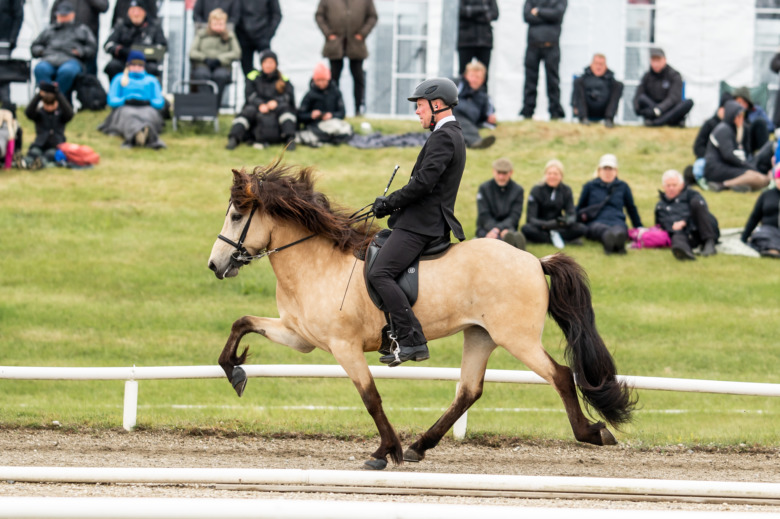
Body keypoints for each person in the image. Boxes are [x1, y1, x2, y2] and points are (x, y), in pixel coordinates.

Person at [368, 78, 466, 367]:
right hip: (421, 221)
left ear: (437, 105)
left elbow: (423, 184)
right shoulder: (449, 134)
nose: (417, 112)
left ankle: (411, 340)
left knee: (380, 273)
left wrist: (390, 202)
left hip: (421, 225)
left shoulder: (444, 136)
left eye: (420, 106)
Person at [315, 0, 377, 115]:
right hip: (335, 44)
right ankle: (333, 109)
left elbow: (372, 16)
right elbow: (319, 15)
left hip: (356, 44)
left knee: (358, 77)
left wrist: (362, 34)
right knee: (333, 78)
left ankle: (358, 109)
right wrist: (328, 33)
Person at [226, 49, 296, 151]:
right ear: (261, 64)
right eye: (266, 62)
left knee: (286, 110)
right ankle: (234, 138)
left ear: (276, 64)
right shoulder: (253, 77)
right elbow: (250, 95)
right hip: (257, 107)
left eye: (271, 62)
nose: (268, 65)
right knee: (248, 111)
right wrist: (260, 104)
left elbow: (288, 96)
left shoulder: (284, 79)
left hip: (276, 107)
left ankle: (290, 140)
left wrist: (276, 102)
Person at [576, 154, 643, 255]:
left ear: (616, 171)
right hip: (596, 221)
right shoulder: (589, 186)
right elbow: (580, 208)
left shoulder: (623, 186)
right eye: (605, 169)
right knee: (603, 230)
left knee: (620, 231)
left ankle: (617, 243)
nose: (608, 172)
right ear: (599, 170)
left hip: (617, 220)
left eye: (610, 169)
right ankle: (610, 243)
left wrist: (639, 227)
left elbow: (631, 208)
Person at [99, 50, 166, 149]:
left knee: (148, 115)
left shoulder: (151, 80)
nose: (136, 67)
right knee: (128, 116)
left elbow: (159, 102)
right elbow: (111, 100)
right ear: (128, 65)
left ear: (144, 65)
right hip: (125, 108)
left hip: (147, 108)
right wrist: (125, 100)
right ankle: (139, 134)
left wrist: (148, 101)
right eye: (133, 64)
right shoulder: (119, 79)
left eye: (140, 64)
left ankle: (142, 134)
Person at [31, 1, 97, 97]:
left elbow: (92, 48)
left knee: (67, 71)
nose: (62, 17)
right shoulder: (49, 29)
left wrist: (81, 52)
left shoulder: (82, 29)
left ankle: (55, 98)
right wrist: (41, 51)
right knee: (40, 68)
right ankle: (48, 98)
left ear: (72, 15)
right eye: (60, 15)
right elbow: (35, 45)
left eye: (65, 15)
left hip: (71, 59)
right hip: (49, 58)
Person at [704, 100, 770, 193]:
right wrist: (747, 167)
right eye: (739, 116)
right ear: (732, 116)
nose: (741, 119)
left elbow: (745, 151)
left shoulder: (738, 129)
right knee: (757, 178)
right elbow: (728, 155)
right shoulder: (724, 129)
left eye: (743, 116)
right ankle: (723, 185)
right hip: (717, 169)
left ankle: (739, 185)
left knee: (763, 179)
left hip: (729, 167)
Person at [654, 169, 719, 261]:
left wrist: (685, 221)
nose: (671, 188)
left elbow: (703, 210)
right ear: (663, 187)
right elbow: (662, 224)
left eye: (674, 185)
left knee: (697, 204)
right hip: (684, 234)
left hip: (702, 227)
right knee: (676, 237)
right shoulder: (660, 206)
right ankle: (684, 253)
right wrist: (673, 227)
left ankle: (709, 242)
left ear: (681, 185)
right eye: (668, 185)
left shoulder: (692, 195)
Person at [520, 0, 567, 120]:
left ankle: (555, 111)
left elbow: (557, 15)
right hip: (533, 45)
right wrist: (547, 16)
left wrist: (538, 11)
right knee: (530, 80)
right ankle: (527, 111)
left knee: (553, 80)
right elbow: (527, 16)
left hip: (551, 45)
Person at [522, 159, 585, 247]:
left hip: (558, 225)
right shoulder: (536, 190)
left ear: (561, 176)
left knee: (581, 228)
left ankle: (545, 239)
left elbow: (571, 215)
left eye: (555, 174)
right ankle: (565, 241)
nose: (552, 176)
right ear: (545, 174)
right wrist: (546, 225)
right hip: (541, 226)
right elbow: (531, 218)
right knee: (526, 229)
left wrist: (561, 222)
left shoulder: (566, 190)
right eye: (549, 173)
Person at [104, 0, 167, 81]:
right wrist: (122, 50)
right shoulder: (121, 26)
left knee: (153, 69)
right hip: (124, 62)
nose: (136, 14)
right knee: (112, 66)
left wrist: (143, 51)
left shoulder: (153, 27)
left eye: (139, 11)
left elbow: (162, 47)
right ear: (128, 12)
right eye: (133, 11)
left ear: (144, 12)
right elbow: (108, 45)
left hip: (145, 63)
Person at [190, 8, 241, 104]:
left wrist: (220, 59)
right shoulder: (201, 34)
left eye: (221, 24)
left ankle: (215, 107)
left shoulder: (229, 36)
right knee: (202, 75)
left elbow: (237, 53)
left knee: (220, 76)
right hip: (203, 65)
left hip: (222, 66)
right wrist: (205, 59)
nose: (218, 27)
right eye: (215, 24)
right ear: (210, 23)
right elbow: (192, 52)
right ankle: (206, 105)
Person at [633, 48, 693, 127]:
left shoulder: (674, 75)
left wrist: (659, 110)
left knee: (688, 103)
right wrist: (646, 110)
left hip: (669, 109)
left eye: (658, 60)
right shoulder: (647, 77)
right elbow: (639, 96)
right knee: (642, 99)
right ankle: (665, 120)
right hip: (653, 108)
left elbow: (673, 98)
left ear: (664, 60)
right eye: (653, 60)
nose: (656, 64)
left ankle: (656, 122)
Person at [296, 62, 352, 147]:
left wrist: (331, 115)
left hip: (332, 122)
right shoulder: (310, 95)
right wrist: (311, 115)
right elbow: (300, 115)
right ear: (314, 80)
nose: (321, 83)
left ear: (328, 79)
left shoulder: (336, 92)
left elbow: (342, 113)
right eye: (318, 80)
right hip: (315, 125)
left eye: (323, 80)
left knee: (342, 128)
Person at [20, 81, 73, 170]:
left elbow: (70, 113)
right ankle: (25, 163)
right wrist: (39, 95)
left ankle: (39, 163)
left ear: (56, 102)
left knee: (50, 154)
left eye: (52, 104)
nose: (49, 107)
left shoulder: (61, 115)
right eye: (47, 104)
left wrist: (58, 94)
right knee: (34, 152)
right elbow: (28, 112)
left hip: (55, 145)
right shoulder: (39, 114)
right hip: (40, 144)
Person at [475, 157, 526, 249]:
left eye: (504, 173)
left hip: (508, 229)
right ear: (493, 171)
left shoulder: (518, 190)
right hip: (487, 227)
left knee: (507, 235)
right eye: (499, 173)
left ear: (511, 172)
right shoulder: (484, 188)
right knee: (491, 237)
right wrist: (495, 229)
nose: (501, 177)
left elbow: (515, 215)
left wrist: (499, 229)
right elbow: (483, 214)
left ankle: (509, 244)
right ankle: (512, 246)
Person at [49, 0, 108, 75]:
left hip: (87, 39)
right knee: (63, 70)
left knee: (89, 71)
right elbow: (55, 10)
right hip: (64, 39)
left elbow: (103, 7)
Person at [572, 53, 623, 128]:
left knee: (619, 85)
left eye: (601, 64)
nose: (598, 67)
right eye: (596, 64)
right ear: (591, 64)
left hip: (604, 109)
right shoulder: (582, 80)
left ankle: (609, 119)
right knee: (577, 82)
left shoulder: (612, 81)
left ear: (606, 66)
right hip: (586, 109)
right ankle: (583, 118)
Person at [453, 60, 496, 149]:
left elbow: (489, 114)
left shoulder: (484, 97)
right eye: (472, 76)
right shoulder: (455, 85)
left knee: (459, 126)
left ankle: (467, 142)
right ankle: (475, 141)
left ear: (482, 80)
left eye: (477, 77)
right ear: (465, 76)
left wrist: (491, 119)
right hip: (453, 114)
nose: (474, 80)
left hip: (469, 120)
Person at [457, 0, 498, 86]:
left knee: (484, 76)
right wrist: (483, 10)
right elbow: (461, 11)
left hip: (485, 41)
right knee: (463, 75)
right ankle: (462, 98)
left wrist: (472, 14)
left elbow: (494, 14)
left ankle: (482, 98)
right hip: (465, 41)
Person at [235, 0, 281, 76]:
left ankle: (268, 87)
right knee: (248, 73)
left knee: (268, 69)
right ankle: (251, 87)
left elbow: (276, 15)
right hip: (243, 39)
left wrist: (268, 35)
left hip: (263, 38)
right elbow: (234, 14)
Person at [741, 168, 780, 258]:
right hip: (769, 229)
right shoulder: (766, 195)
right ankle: (773, 250)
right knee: (761, 237)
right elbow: (755, 217)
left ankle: (774, 249)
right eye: (778, 178)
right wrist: (744, 237)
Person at [732, 86, 774, 153]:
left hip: (755, 139)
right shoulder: (734, 113)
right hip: (741, 141)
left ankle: (765, 155)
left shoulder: (757, 110)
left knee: (760, 123)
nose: (739, 105)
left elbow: (770, 126)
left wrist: (754, 126)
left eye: (741, 102)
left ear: (747, 102)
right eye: (737, 102)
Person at [0, 0, 24, 105]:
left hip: (4, 40)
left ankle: (6, 102)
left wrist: (12, 39)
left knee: (3, 74)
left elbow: (18, 16)